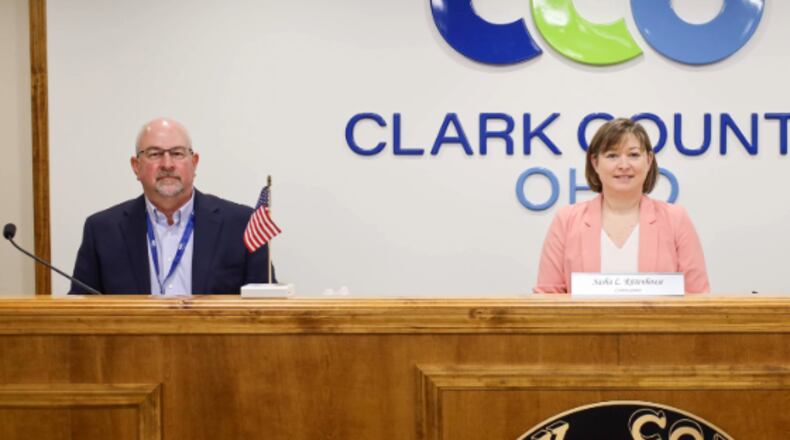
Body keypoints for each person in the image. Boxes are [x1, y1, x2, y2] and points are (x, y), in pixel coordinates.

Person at [69, 118, 273, 295]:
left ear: (194, 163)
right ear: (136, 166)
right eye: (154, 154)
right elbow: (80, 312)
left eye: (177, 153)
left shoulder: (242, 224)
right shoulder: (102, 230)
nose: (167, 164)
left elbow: (267, 306)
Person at [534, 118, 709, 293]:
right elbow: (547, 298)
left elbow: (698, 297)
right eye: (612, 155)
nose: (624, 165)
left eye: (633, 155)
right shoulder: (566, 220)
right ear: (595, 163)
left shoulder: (675, 219)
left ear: (648, 160)